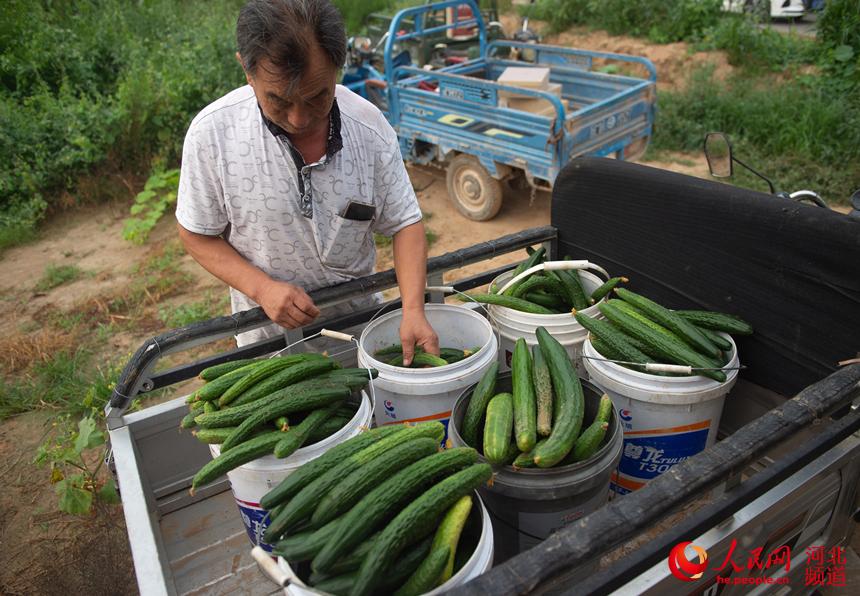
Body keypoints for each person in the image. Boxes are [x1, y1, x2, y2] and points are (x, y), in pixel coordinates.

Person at [176, 0, 438, 364]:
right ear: (247, 71)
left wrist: (412, 309)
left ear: (338, 66)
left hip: (361, 332)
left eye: (318, 96)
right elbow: (196, 234)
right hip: (268, 346)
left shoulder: (369, 128)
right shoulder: (213, 136)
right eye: (278, 100)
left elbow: (405, 222)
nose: (299, 118)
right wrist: (262, 288)